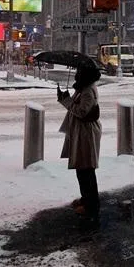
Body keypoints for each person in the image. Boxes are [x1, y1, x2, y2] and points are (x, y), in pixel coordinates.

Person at [57, 60, 102, 224]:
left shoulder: (88, 90)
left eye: (79, 71)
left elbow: (82, 112)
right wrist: (65, 99)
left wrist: (67, 101)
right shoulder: (83, 88)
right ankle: (86, 199)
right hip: (81, 133)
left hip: (86, 134)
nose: (77, 73)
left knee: (86, 170)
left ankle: (91, 205)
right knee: (82, 169)